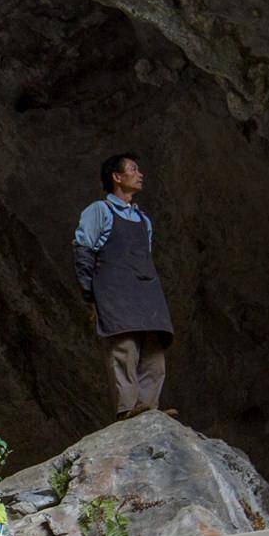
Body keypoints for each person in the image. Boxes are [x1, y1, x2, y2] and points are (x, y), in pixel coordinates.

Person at [72, 153, 172, 418]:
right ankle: (127, 410)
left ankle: (148, 409)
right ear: (117, 177)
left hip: (145, 292)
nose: (140, 175)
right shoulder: (99, 211)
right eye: (133, 170)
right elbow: (83, 250)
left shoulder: (143, 220)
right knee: (124, 350)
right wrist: (90, 294)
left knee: (154, 354)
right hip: (115, 292)